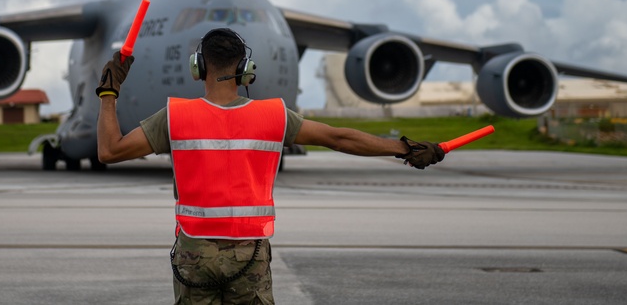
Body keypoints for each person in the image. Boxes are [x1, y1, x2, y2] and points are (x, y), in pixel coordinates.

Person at [96, 27, 444, 305]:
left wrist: (109, 93)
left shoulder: (174, 117)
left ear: (198, 67)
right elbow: (340, 138)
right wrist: (403, 148)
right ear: (245, 71)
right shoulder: (273, 116)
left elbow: (109, 151)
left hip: (194, 256)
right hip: (249, 258)